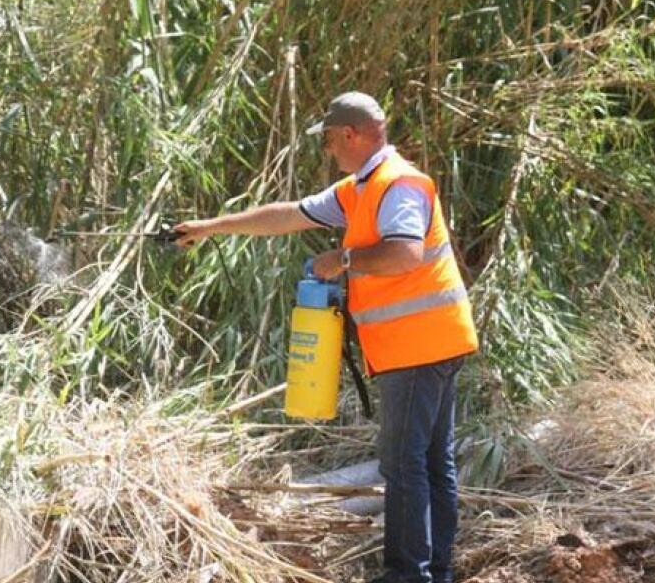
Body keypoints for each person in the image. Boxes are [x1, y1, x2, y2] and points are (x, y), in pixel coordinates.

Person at [176, 91, 479, 583]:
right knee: (429, 460)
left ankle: (409, 576)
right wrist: (212, 227)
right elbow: (288, 214)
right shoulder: (358, 189)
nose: (328, 152)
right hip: (433, 340)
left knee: (404, 464)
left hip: (419, 345)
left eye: (329, 142)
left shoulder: (398, 184)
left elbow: (404, 255)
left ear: (350, 135)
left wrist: (342, 260)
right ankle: (434, 571)